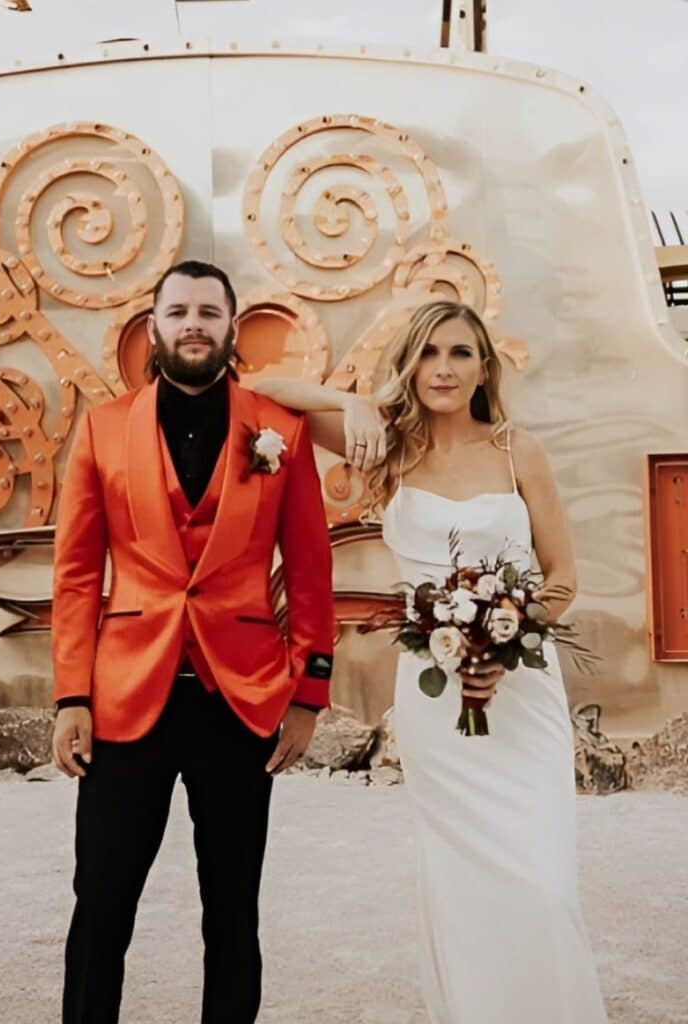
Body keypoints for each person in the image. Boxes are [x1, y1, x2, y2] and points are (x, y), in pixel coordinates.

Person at [253, 299, 609, 1023]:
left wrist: (504, 640)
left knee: (543, 880)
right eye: (428, 353)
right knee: (461, 880)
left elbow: (562, 575)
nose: (443, 369)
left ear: (484, 368)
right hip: (436, 699)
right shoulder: (386, 447)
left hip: (522, 692)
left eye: (459, 353)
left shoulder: (518, 451)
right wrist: (351, 398)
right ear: (409, 365)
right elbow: (258, 387)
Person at [51, 259, 335, 1024]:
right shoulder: (102, 429)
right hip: (122, 702)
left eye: (210, 312)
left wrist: (309, 694)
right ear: (155, 326)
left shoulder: (280, 431)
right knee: (102, 907)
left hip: (239, 704)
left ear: (232, 328)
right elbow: (78, 574)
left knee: (233, 912)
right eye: (179, 312)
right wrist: (70, 695)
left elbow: (310, 571)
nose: (194, 325)